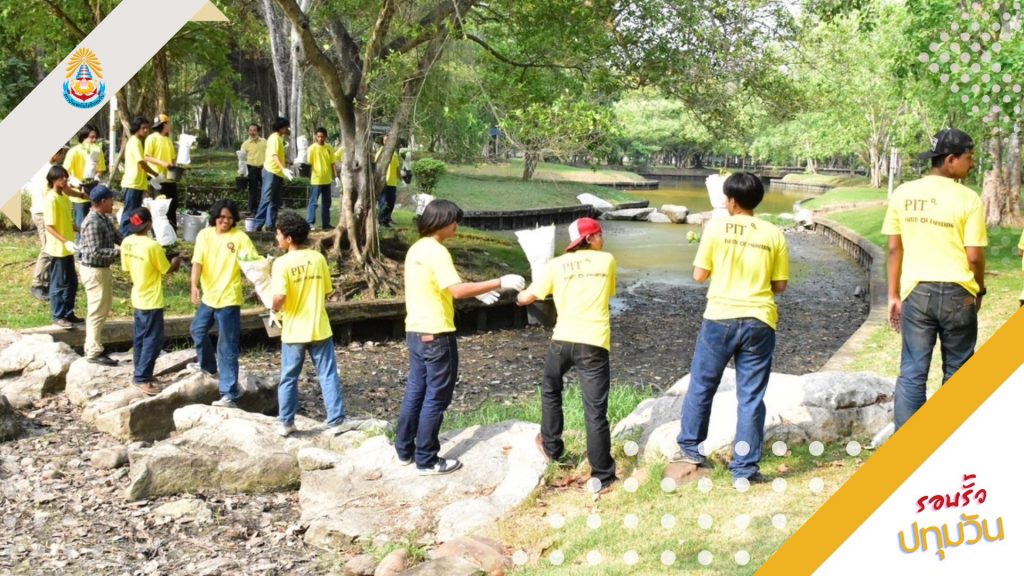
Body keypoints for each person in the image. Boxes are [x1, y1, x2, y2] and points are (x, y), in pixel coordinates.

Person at [671, 172, 789, 485]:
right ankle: (745, 469)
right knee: (750, 397)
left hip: (720, 317)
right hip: (759, 321)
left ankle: (690, 448)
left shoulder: (715, 227)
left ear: (731, 201)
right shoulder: (773, 233)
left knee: (702, 385)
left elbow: (699, 275)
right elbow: (780, 285)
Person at [396, 199, 525, 475]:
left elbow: (441, 285)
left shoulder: (417, 248)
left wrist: (475, 289)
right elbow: (455, 291)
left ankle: (404, 450)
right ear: (442, 222)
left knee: (416, 389)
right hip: (437, 332)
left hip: (415, 330)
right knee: (436, 396)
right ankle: (427, 459)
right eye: (454, 220)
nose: (457, 225)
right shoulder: (437, 251)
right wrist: (499, 282)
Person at [883, 128, 987, 431]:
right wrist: (979, 289)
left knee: (913, 371)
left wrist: (893, 295)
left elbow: (893, 248)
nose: (972, 164)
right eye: (969, 158)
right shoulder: (969, 199)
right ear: (951, 160)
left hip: (917, 293)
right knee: (958, 370)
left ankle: (907, 448)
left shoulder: (903, 193)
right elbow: (975, 257)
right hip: (959, 295)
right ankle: (948, 443)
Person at [516, 217, 618, 492]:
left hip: (562, 341)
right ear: (589, 239)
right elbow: (608, 292)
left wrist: (519, 291)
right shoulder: (606, 261)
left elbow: (528, 298)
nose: (602, 239)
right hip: (594, 343)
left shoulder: (556, 265)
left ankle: (551, 446)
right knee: (595, 411)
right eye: (599, 234)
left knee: (551, 388)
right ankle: (603, 475)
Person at [271, 213, 356, 436]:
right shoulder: (318, 258)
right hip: (319, 326)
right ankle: (336, 419)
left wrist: (272, 308)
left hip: (294, 330)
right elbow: (327, 291)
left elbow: (279, 297)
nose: (276, 237)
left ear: (288, 238)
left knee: (289, 377)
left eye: (278, 234)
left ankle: (286, 422)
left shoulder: (281, 264)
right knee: (327, 374)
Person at [190, 199, 258, 408]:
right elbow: (197, 263)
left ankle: (229, 393)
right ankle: (209, 368)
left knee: (227, 346)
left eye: (229, 218)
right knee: (197, 331)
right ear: (215, 216)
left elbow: (253, 264)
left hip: (229, 298)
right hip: (209, 296)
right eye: (222, 217)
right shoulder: (204, 235)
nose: (225, 221)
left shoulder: (240, 238)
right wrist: (194, 286)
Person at [121, 208, 181, 395]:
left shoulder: (126, 242)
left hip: (137, 295)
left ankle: (140, 371)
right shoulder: (152, 246)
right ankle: (141, 378)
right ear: (149, 224)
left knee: (140, 337)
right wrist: (176, 261)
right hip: (152, 299)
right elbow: (166, 270)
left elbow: (125, 268)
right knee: (153, 340)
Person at [77, 185, 122, 366]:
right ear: (103, 201)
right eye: (111, 199)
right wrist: (119, 253)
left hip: (102, 270)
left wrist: (135, 243)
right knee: (96, 312)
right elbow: (94, 252)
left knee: (102, 310)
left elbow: (117, 237)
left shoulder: (104, 218)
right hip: (94, 270)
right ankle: (93, 352)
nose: (114, 203)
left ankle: (94, 346)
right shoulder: (93, 222)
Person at [42, 165, 83, 330]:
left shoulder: (65, 198)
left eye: (66, 177)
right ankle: (58, 315)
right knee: (58, 283)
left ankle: (68, 312)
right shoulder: (51, 199)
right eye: (61, 178)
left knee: (72, 282)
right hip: (57, 248)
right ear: (53, 180)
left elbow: (67, 222)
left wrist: (81, 229)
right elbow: (49, 226)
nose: (65, 180)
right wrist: (64, 240)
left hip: (67, 248)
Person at [27, 148, 70, 302]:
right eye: (61, 154)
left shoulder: (43, 168)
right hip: (42, 212)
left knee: (50, 248)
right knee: (47, 249)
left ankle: (47, 281)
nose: (62, 157)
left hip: (45, 211)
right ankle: (37, 284)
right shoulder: (48, 171)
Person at [119, 117, 159, 235]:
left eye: (147, 128)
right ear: (137, 128)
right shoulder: (135, 142)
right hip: (132, 183)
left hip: (137, 184)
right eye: (143, 128)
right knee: (129, 213)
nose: (146, 130)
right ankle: (123, 237)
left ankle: (130, 234)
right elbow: (142, 163)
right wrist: (155, 174)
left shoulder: (137, 142)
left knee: (134, 212)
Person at [63, 125, 106, 229]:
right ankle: (80, 244)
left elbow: (100, 169)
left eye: (96, 137)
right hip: (79, 194)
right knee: (82, 225)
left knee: (93, 224)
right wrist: (76, 182)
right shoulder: (74, 151)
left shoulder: (97, 151)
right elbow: (65, 171)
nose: (94, 140)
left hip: (93, 193)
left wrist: (97, 177)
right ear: (84, 137)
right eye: (91, 137)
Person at [254, 117, 293, 231]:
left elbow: (279, 155)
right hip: (271, 171)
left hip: (278, 173)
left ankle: (270, 225)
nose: (287, 129)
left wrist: (288, 163)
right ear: (281, 127)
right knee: (266, 198)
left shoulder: (280, 138)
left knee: (274, 201)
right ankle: (257, 225)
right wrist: (283, 169)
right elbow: (274, 155)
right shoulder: (274, 138)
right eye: (285, 127)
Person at [145, 114, 178, 229]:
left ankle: (172, 229)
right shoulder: (151, 138)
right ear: (164, 124)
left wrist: (175, 167)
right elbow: (147, 157)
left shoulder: (168, 140)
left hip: (169, 178)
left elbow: (173, 159)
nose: (170, 126)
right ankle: (157, 231)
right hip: (157, 179)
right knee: (159, 206)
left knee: (173, 204)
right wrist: (163, 163)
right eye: (168, 123)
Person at [306, 127, 336, 230]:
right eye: (318, 136)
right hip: (316, 180)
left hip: (327, 180)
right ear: (315, 137)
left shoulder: (329, 148)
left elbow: (333, 163)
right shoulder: (311, 148)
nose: (320, 138)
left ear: (326, 137)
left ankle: (326, 224)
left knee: (327, 203)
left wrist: (336, 177)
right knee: (313, 202)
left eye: (322, 136)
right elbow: (309, 164)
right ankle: (310, 223)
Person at [240, 123, 266, 213]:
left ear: (258, 131)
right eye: (250, 130)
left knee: (265, 189)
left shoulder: (264, 142)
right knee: (253, 190)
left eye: (254, 130)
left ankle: (264, 208)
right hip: (251, 169)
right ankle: (252, 210)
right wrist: (241, 171)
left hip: (263, 168)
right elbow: (241, 159)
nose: (252, 132)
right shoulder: (245, 144)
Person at [376, 135, 400, 227]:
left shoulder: (394, 153)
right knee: (383, 202)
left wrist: (401, 179)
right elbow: (377, 167)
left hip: (392, 182)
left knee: (391, 202)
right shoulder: (381, 152)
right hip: (383, 182)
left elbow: (397, 168)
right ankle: (381, 220)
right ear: (382, 141)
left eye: (388, 140)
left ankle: (387, 218)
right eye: (385, 140)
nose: (387, 142)